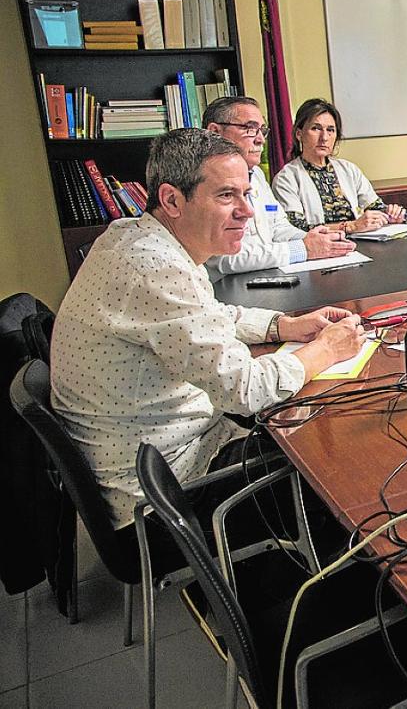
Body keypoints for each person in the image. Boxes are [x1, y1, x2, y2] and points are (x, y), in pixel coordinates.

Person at [50, 128, 366, 529]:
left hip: (157, 457)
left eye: (246, 194)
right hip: (164, 497)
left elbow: (211, 314)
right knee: (332, 455)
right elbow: (247, 391)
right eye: (225, 196)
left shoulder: (135, 237)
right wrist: (327, 350)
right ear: (172, 200)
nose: (247, 211)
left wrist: (284, 325)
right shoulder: (155, 267)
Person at [202, 96, 355, 276]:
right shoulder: (204, 180)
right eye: (250, 129)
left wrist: (317, 240)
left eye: (262, 130)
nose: (260, 139)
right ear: (215, 132)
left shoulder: (257, 175)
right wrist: (303, 248)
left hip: (267, 275)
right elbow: (225, 258)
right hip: (228, 287)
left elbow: (278, 227)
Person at [273, 98, 406, 233]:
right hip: (319, 250)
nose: (324, 137)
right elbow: (295, 228)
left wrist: (390, 214)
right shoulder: (286, 178)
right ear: (299, 134)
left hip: (358, 242)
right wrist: (351, 226)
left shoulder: (348, 169)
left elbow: (375, 207)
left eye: (330, 130)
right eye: (316, 128)